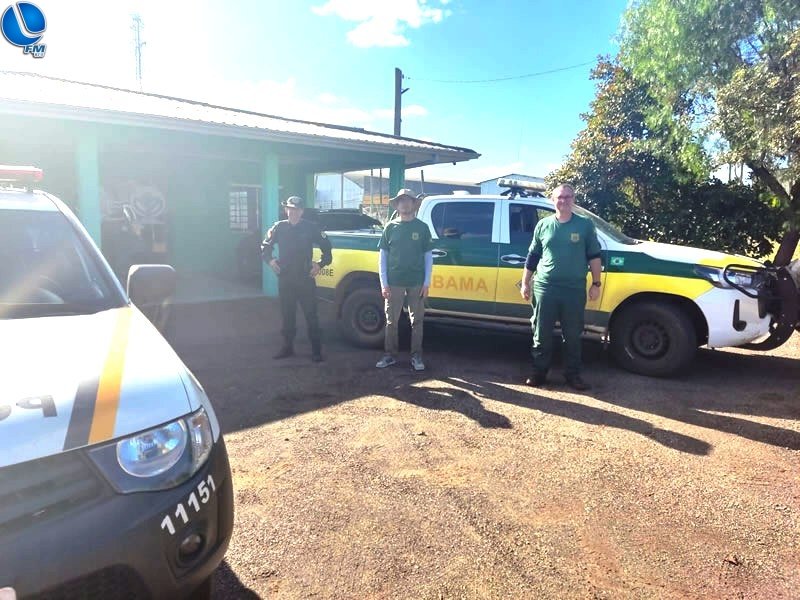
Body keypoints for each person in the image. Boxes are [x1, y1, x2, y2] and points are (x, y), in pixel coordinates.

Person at [520, 184, 602, 390]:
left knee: (573, 335)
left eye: (568, 197)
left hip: (573, 289)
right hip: (545, 287)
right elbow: (533, 256)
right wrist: (525, 282)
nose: (563, 201)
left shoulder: (585, 225)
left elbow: (594, 256)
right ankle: (538, 373)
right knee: (541, 333)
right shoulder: (543, 225)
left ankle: (572, 375)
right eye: (559, 197)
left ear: (573, 199)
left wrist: (596, 283)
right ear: (552, 200)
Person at [262, 196, 332, 362]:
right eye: (290, 209)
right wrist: (270, 261)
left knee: (311, 315)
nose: (293, 212)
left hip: (305, 278)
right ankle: (287, 348)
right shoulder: (279, 227)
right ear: (286, 210)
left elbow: (327, 249)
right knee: (287, 315)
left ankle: (316, 351)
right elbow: (265, 246)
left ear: (302, 211)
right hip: (286, 278)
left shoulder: (311, 228)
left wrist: (320, 264)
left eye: (296, 209)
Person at [375, 189, 433, 371]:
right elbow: (382, 257)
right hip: (394, 282)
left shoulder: (422, 228)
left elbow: (428, 256)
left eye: (408, 200)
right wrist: (384, 283)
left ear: (414, 204)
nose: (405, 204)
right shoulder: (390, 227)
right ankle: (390, 355)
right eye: (401, 201)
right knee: (391, 320)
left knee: (417, 321)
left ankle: (416, 356)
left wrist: (426, 282)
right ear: (397, 205)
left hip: (416, 282)